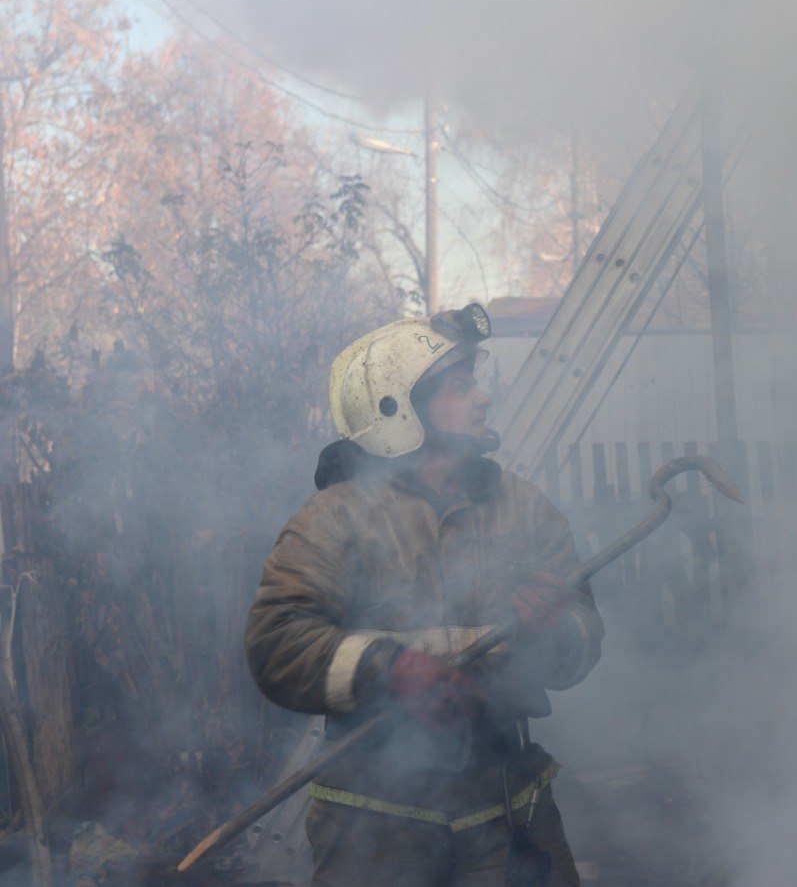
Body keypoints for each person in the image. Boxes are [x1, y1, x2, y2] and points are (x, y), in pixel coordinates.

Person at [245, 305, 603, 886]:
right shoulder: (334, 519)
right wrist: (387, 671)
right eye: (461, 388)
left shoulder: (523, 505)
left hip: (510, 817)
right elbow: (275, 644)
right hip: (377, 831)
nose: (483, 400)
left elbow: (586, 638)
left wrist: (557, 631)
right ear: (397, 409)